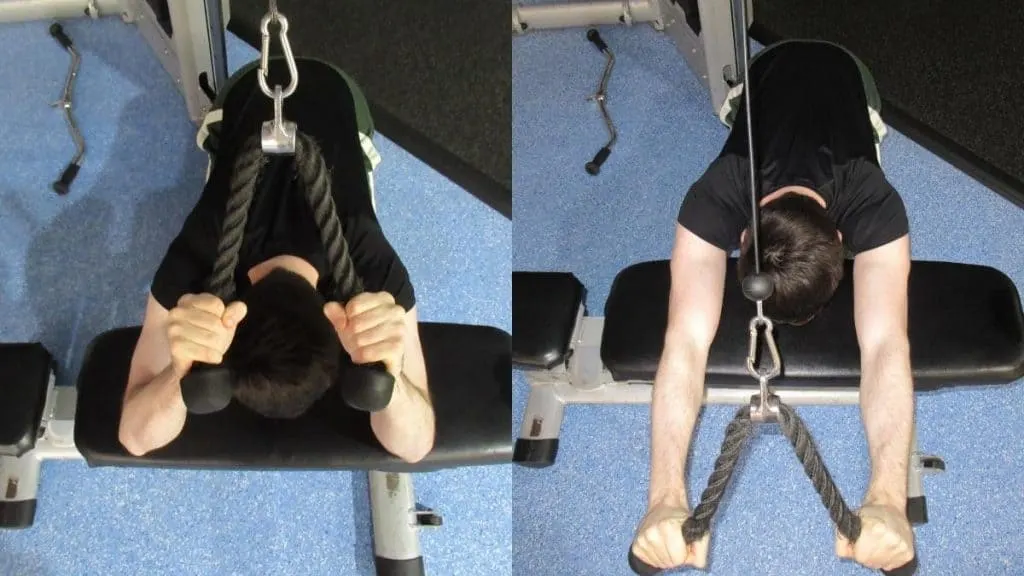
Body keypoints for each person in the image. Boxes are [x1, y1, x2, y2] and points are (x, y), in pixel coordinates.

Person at [631, 40, 915, 571]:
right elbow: (684, 343)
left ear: (842, 237)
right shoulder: (715, 193)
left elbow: (886, 347)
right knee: (742, 111)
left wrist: (889, 498)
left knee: (867, 121)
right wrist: (663, 499)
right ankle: (740, 98)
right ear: (741, 237)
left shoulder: (874, 199)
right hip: (768, 65)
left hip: (849, 66)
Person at [117, 59, 436, 464]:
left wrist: (180, 372)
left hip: (294, 83)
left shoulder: (368, 260)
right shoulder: (364, 265)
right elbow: (416, 445)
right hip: (269, 85)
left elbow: (135, 435)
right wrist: (176, 371)